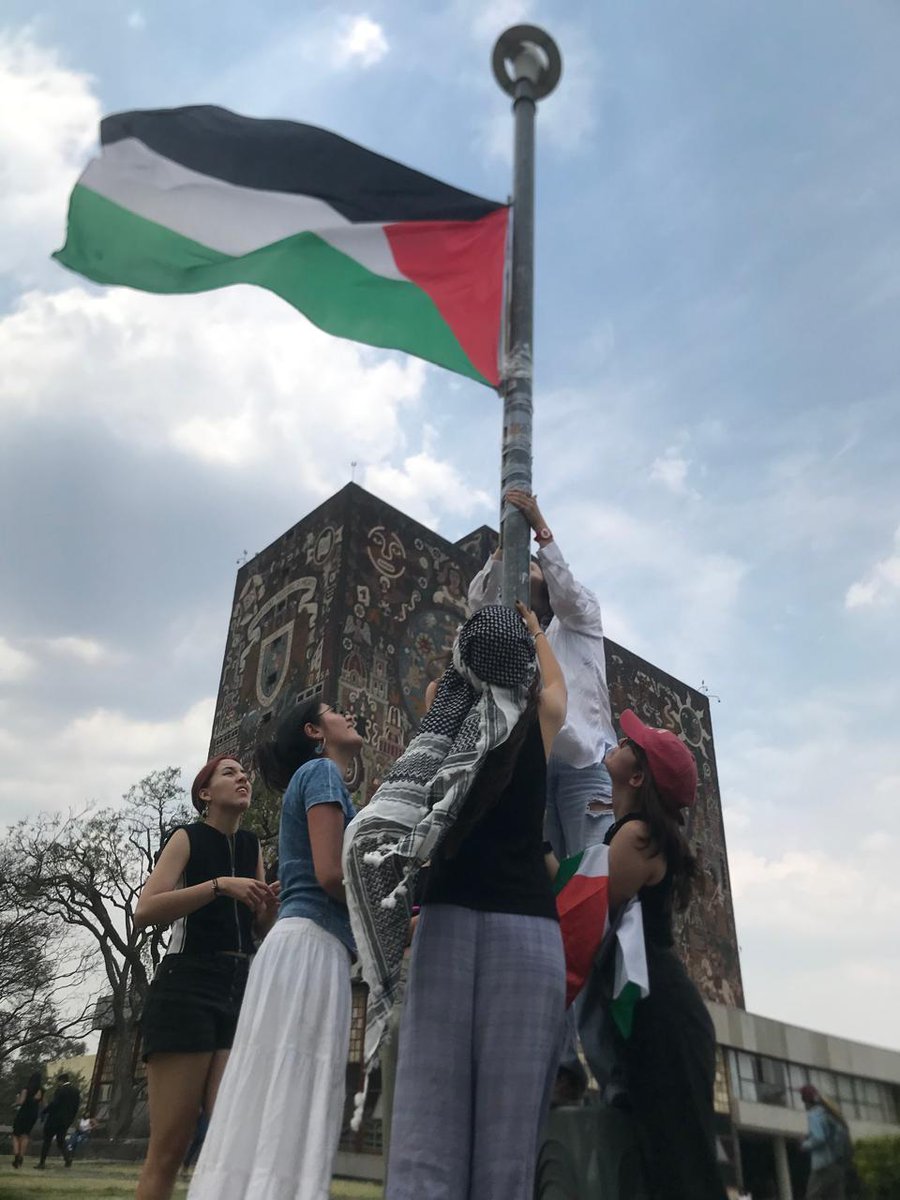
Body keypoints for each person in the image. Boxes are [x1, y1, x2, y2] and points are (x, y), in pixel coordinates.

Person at [383, 600, 569, 1200]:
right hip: (530, 929)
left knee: (424, 1127)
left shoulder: (449, 719)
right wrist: (534, 625)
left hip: (448, 916)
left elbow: (447, 681)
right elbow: (557, 682)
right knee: (509, 1145)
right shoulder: (540, 716)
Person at [188, 697, 363, 1200]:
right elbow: (331, 875)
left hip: (303, 944)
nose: (348, 715)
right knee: (294, 1086)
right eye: (335, 710)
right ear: (314, 731)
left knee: (271, 1087)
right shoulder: (324, 775)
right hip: (311, 945)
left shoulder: (315, 780)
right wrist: (385, 916)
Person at [587, 709, 727, 1200]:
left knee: (679, 1168)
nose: (621, 738)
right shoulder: (631, 830)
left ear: (637, 775)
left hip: (662, 1017)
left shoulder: (637, 835)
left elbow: (586, 909)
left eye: (631, 742)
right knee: (670, 1162)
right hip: (661, 1012)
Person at [134, 755, 278, 1200]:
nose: (243, 778)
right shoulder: (187, 838)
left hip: (240, 986)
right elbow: (146, 910)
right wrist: (220, 885)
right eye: (230, 773)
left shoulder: (253, 845)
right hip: (188, 985)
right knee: (170, 1149)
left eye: (244, 772)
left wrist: (266, 911)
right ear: (205, 794)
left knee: (229, 1142)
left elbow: (258, 930)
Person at [468, 490, 617, 855]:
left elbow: (564, 587)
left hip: (585, 762)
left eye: (534, 563)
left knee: (589, 866)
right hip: (540, 763)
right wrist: (506, 545)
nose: (529, 565)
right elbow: (479, 607)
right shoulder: (523, 639)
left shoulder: (580, 617)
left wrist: (539, 527)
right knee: (551, 875)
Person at [800, 1084, 851, 1200]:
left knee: (812, 1196)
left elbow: (819, 1138)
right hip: (838, 1162)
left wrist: (804, 1144)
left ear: (805, 1101)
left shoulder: (814, 1114)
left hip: (823, 1165)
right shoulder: (830, 1113)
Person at [35, 1072, 80, 1169]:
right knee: (61, 1140)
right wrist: (70, 1119)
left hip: (54, 1119)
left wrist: (45, 1111)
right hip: (66, 1121)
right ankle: (67, 1159)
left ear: (61, 1081)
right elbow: (76, 1107)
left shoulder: (60, 1090)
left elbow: (55, 1104)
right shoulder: (75, 1091)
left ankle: (42, 1162)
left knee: (47, 1140)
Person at [11, 1071, 43, 1168]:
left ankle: (16, 1156)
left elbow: (21, 1102)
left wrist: (16, 1101)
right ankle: (21, 1157)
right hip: (33, 1115)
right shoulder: (41, 1090)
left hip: (23, 1113)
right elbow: (43, 1103)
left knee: (15, 1135)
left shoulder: (26, 1089)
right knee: (25, 1135)